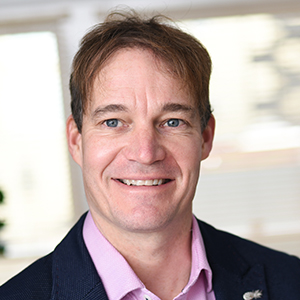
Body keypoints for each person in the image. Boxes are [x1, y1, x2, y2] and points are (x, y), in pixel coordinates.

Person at [1, 9, 300, 300]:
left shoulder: (290, 281)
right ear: (76, 140)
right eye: (113, 122)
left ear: (205, 137)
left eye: (172, 122)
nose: (145, 153)